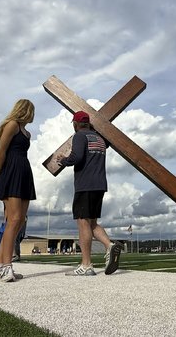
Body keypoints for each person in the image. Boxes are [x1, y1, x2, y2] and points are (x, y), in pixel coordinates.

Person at [57, 111, 123, 276]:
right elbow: (106, 142)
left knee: (82, 222)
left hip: (85, 185)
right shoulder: (100, 139)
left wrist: (63, 159)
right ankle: (110, 245)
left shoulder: (79, 136)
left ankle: (86, 265)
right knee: (92, 223)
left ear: (75, 124)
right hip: (100, 185)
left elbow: (76, 158)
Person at [0, 99, 36, 282]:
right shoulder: (11, 125)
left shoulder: (27, 133)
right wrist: (2, 175)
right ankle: (7, 266)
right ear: (25, 110)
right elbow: (0, 152)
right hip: (11, 172)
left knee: (18, 221)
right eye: (31, 111)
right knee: (13, 219)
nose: (33, 115)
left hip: (24, 172)